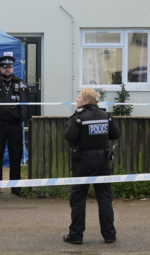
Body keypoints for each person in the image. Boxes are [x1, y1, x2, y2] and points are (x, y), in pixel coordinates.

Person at [62, 87, 121, 244]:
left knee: (78, 199)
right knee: (105, 199)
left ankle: (75, 236)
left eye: (79, 97)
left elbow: (69, 136)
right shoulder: (105, 115)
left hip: (82, 162)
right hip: (102, 162)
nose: (77, 99)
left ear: (86, 101)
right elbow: (115, 134)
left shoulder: (78, 117)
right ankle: (109, 235)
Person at [0, 53, 30, 196]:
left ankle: (16, 187)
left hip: (15, 126)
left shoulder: (21, 84)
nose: (7, 69)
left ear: (13, 68)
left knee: (16, 156)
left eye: (9, 67)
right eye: (4, 67)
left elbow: (26, 102)